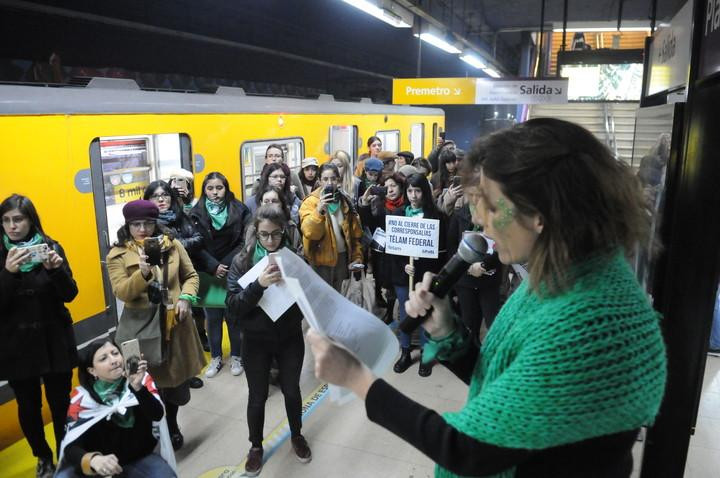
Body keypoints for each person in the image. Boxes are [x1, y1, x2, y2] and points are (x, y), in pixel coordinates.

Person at [307, 118, 667, 477]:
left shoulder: (592, 325)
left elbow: (468, 450)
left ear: (539, 214)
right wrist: (449, 333)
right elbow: (510, 385)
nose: (482, 222)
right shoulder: (564, 273)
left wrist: (357, 379)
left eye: (493, 207)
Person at [107, 199, 206, 451]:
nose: (142, 229)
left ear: (156, 223)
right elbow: (122, 292)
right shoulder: (117, 254)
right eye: (136, 224)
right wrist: (143, 273)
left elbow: (191, 276)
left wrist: (186, 297)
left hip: (176, 326)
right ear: (127, 225)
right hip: (140, 329)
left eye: (148, 224)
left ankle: (171, 424)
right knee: (145, 383)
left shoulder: (172, 246)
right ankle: (152, 429)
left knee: (176, 385)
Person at [226, 206, 312, 476]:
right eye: (264, 234)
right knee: (257, 396)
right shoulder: (243, 260)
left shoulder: (295, 259)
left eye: (276, 234)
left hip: (289, 336)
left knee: (291, 390)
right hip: (256, 339)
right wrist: (258, 285)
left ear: (284, 231)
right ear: (256, 232)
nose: (271, 241)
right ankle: (255, 447)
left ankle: (296, 435)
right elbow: (233, 307)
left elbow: (309, 298)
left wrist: (294, 286)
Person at [0, 194, 78, 478]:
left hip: (53, 340)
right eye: (6, 220)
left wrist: (55, 270)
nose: (12, 226)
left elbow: (70, 293)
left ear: (31, 220)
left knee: (61, 404)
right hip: (16, 346)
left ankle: (64, 453)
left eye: (18, 219)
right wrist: (7, 273)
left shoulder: (51, 247)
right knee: (29, 406)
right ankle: (43, 456)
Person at [55, 340, 176, 478]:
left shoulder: (140, 380)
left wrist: (138, 388)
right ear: (92, 370)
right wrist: (94, 459)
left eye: (115, 353)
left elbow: (157, 414)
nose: (114, 360)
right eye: (103, 358)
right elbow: (71, 447)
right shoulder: (83, 400)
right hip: (100, 469)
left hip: (140, 458)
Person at [144, 181, 207, 387]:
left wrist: (176, 245)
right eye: (155, 196)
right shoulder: (143, 228)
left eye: (165, 195)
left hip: (180, 280)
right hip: (156, 293)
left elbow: (199, 239)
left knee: (183, 338)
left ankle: (186, 375)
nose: (161, 199)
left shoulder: (181, 217)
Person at [190, 172, 251, 378]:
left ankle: (237, 355)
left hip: (233, 270)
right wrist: (213, 265)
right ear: (204, 190)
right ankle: (216, 357)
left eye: (219, 188)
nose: (215, 193)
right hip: (208, 272)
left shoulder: (239, 209)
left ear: (226, 188)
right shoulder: (195, 212)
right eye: (210, 188)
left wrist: (225, 264)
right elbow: (195, 245)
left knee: (233, 316)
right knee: (212, 317)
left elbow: (245, 241)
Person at [388, 173, 447, 377]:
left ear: (425, 192)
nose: (413, 196)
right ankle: (405, 352)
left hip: (425, 276)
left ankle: (425, 354)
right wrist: (405, 264)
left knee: (425, 314)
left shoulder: (436, 217)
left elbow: (440, 252)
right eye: (410, 191)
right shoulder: (397, 214)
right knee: (405, 314)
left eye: (418, 191)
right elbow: (393, 247)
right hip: (404, 275)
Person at [299, 163, 363, 292]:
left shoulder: (345, 201)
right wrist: (319, 210)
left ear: (338, 180)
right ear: (319, 181)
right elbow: (310, 232)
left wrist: (357, 257)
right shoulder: (310, 202)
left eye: (333, 179)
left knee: (340, 296)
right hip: (320, 261)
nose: (330, 183)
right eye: (325, 179)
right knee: (322, 298)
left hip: (342, 259)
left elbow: (354, 234)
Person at [447, 201, 501, 344]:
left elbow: (502, 245)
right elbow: (451, 247)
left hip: (490, 280)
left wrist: (484, 264)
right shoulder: (459, 215)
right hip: (465, 282)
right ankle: (474, 359)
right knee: (469, 324)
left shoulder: (497, 214)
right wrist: (467, 266)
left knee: (494, 323)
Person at [358, 172, 406, 324]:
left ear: (401, 187)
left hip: (402, 253)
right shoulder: (378, 205)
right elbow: (368, 223)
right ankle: (390, 311)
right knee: (387, 284)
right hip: (383, 253)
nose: (390, 190)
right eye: (386, 187)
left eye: (393, 186)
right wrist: (364, 203)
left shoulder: (408, 206)